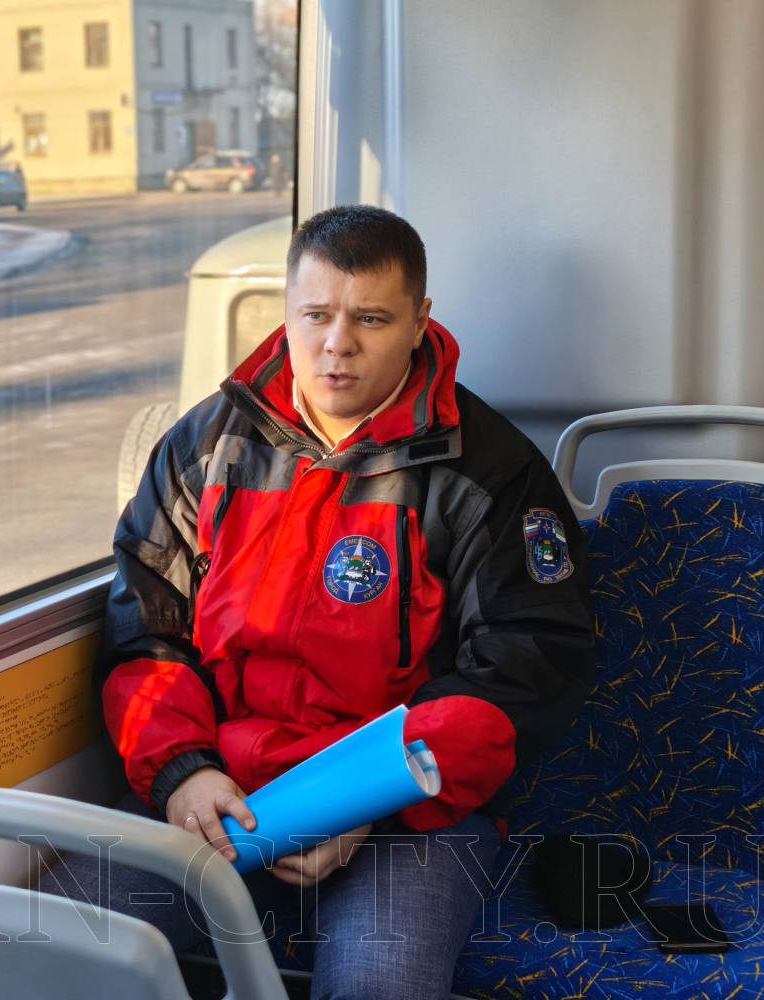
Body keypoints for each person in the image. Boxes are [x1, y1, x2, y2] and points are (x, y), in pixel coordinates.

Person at [40, 205, 596, 999]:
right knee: (54, 947)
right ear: (287, 310)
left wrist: (360, 797)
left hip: (403, 809)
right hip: (222, 785)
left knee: (378, 984)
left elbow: (526, 666)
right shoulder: (208, 446)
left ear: (419, 322)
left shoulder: (489, 471)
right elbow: (146, 632)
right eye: (317, 315)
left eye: (371, 318)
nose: (338, 344)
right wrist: (182, 773)